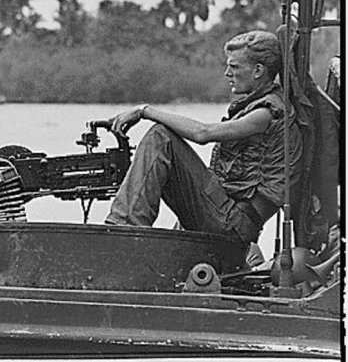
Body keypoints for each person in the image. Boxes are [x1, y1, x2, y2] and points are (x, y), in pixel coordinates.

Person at [104, 30, 302, 245]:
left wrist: (144, 111)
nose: (227, 73)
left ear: (258, 71)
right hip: (226, 216)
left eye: (234, 67)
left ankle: (123, 230)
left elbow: (202, 134)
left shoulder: (266, 113)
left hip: (232, 226)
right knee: (163, 143)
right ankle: (127, 227)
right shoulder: (254, 106)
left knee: (161, 138)